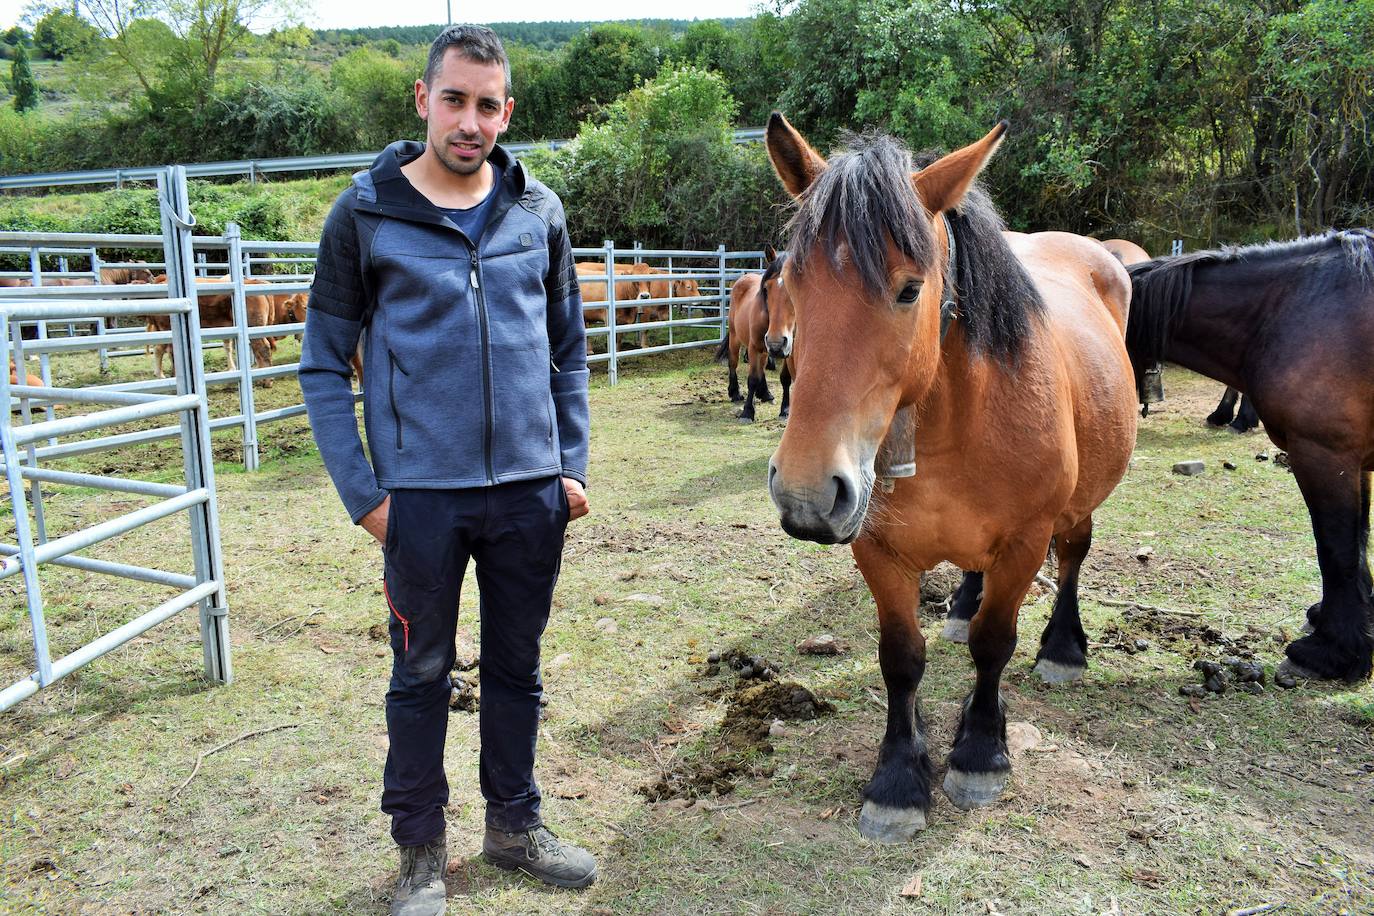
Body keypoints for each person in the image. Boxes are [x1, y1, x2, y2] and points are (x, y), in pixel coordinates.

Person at [298, 24, 595, 915]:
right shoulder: (364, 216)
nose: (471, 122)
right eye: (455, 100)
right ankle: (419, 849)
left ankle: (513, 825)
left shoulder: (538, 212)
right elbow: (321, 360)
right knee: (421, 673)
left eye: (489, 104)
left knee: (517, 666)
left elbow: (569, 350)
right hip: (418, 502)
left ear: (509, 111)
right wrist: (366, 496)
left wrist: (568, 466)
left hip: (528, 496)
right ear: (423, 99)